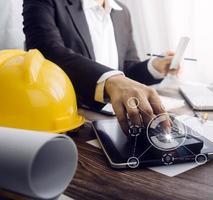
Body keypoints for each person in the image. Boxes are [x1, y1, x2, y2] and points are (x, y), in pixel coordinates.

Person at [23, 0, 179, 134]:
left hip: (114, 120)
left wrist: (155, 67)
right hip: (70, 122)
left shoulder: (122, 12)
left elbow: (127, 70)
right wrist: (111, 80)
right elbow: (46, 52)